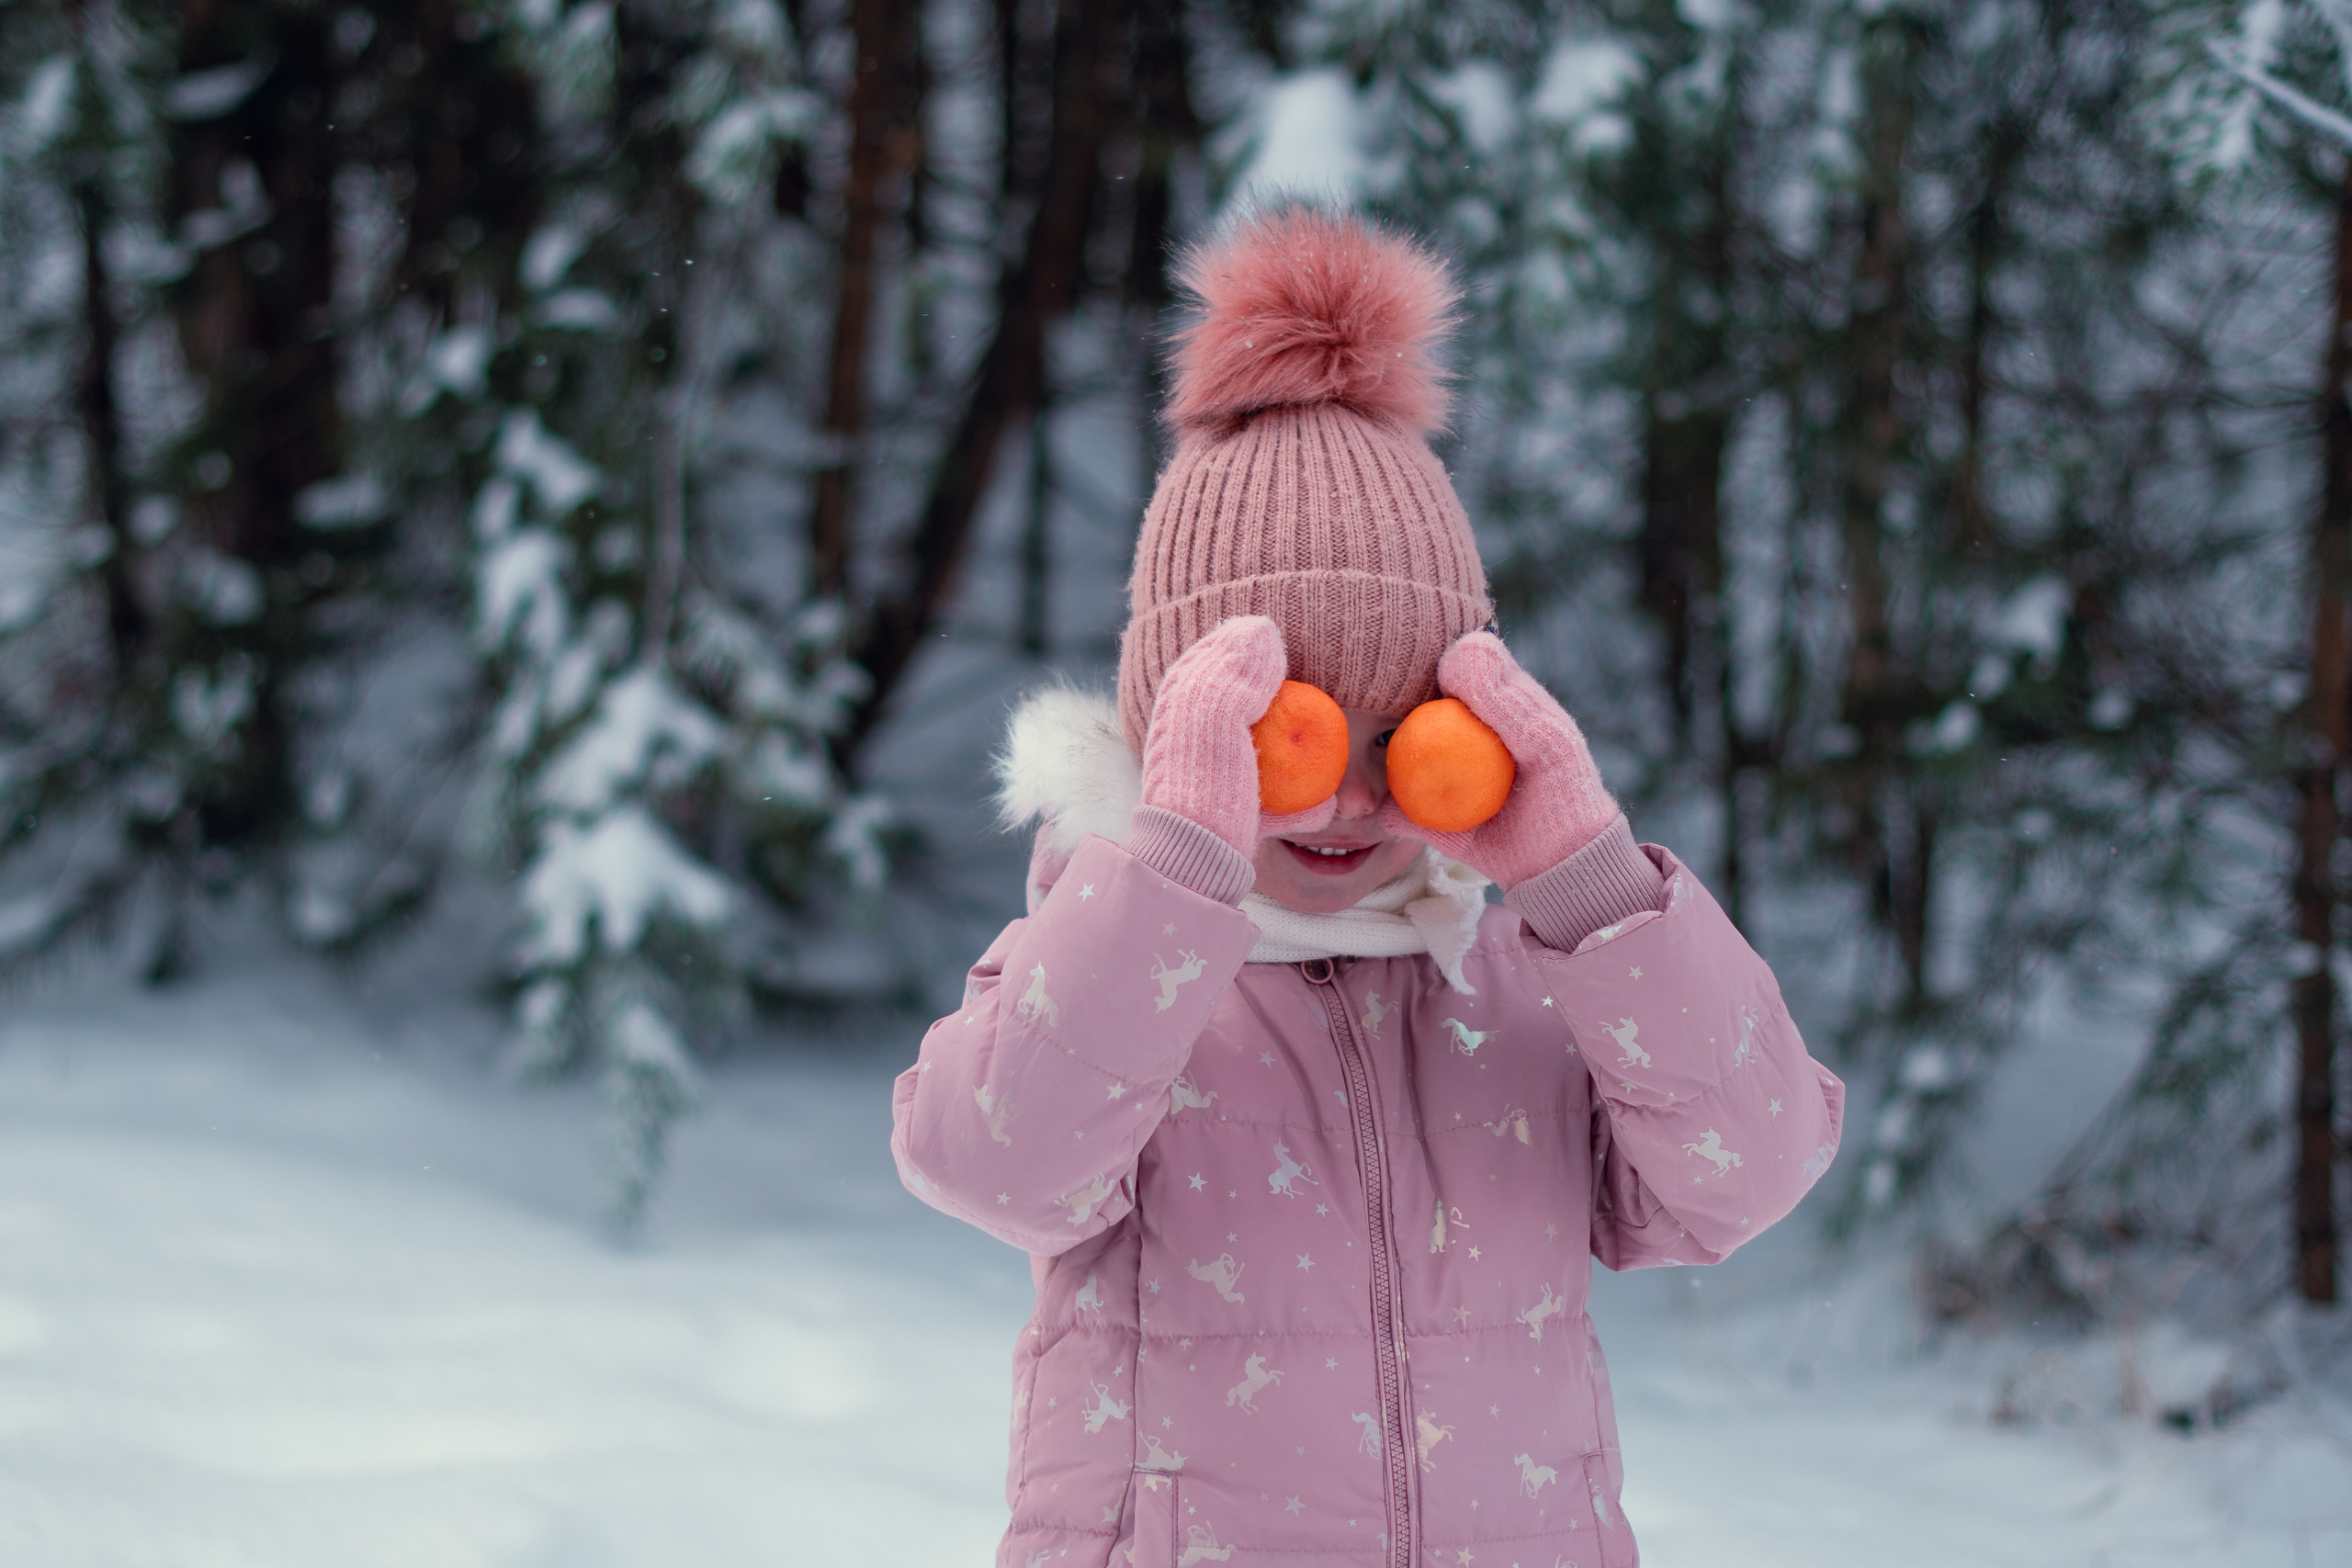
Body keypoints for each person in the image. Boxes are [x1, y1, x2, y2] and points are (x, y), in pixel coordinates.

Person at [890, 205, 1845, 1568]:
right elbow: (994, 1165)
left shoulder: (1525, 984)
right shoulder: (1108, 971)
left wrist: (1593, 890)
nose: (1345, 802)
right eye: (1293, 737)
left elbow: (1751, 1168)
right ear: (1187, 732)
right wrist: (1176, 878)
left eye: (1402, 737)